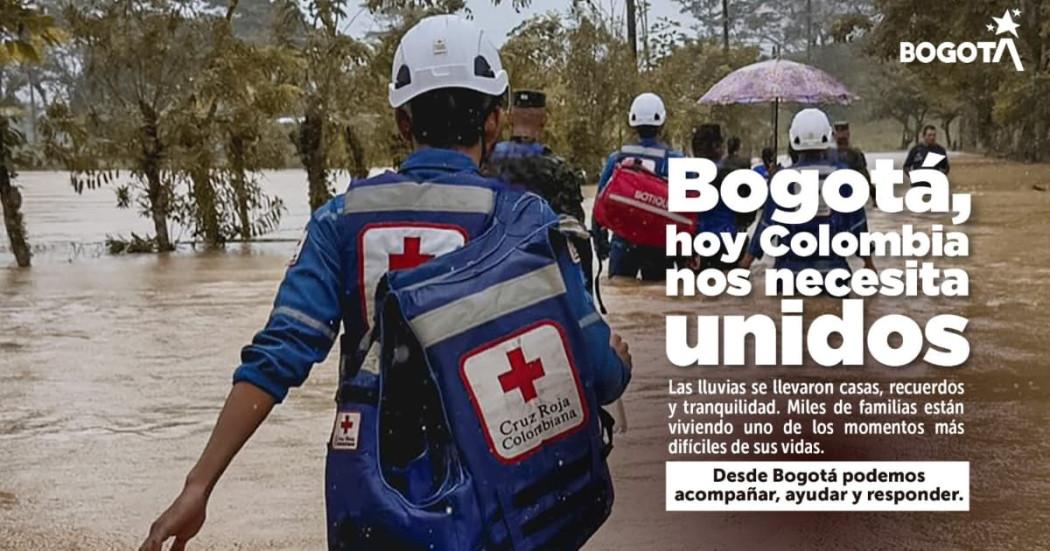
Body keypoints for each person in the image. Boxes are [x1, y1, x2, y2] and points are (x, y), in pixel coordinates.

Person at [140, 15, 632, 551]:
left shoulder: (340, 219)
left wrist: (197, 487)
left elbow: (277, 357)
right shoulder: (527, 224)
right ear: (494, 122)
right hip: (489, 503)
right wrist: (619, 360)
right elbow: (599, 375)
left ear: (403, 121)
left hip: (370, 495)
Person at [739, 108, 875, 283]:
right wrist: (869, 264)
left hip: (788, 275)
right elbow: (858, 226)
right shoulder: (844, 176)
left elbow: (765, 229)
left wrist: (744, 266)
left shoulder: (782, 180)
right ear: (828, 136)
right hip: (834, 274)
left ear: (793, 138)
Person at [486, 89, 594, 286]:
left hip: (492, 276)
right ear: (544, 120)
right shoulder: (560, 171)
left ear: (509, 118)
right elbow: (574, 234)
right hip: (543, 282)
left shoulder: (484, 164)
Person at [592, 92, 684, 281]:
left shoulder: (616, 159)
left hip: (622, 243)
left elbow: (598, 206)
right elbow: (688, 210)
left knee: (622, 298)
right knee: (660, 301)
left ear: (632, 123)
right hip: (660, 245)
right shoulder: (675, 160)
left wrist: (600, 244)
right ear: (662, 123)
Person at [690, 124, 748, 270]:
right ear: (717, 147)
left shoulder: (687, 175)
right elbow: (746, 215)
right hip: (729, 244)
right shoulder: (732, 175)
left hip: (697, 246)